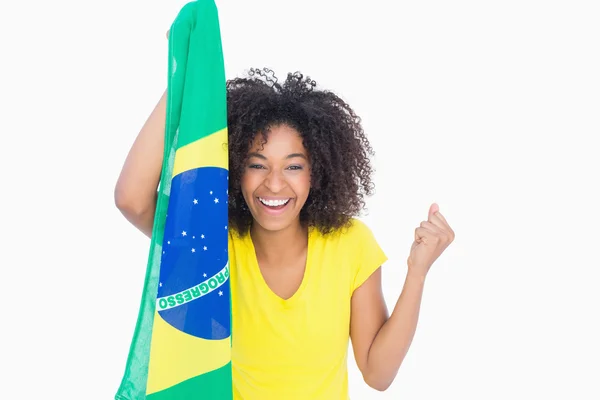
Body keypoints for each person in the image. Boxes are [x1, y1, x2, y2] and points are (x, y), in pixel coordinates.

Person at [114, 67, 455, 399]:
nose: (274, 183)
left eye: (293, 166)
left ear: (316, 172)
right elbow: (133, 200)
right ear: (236, 169)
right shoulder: (217, 244)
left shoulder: (350, 244)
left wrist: (418, 272)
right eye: (257, 164)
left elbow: (377, 374)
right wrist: (183, 78)